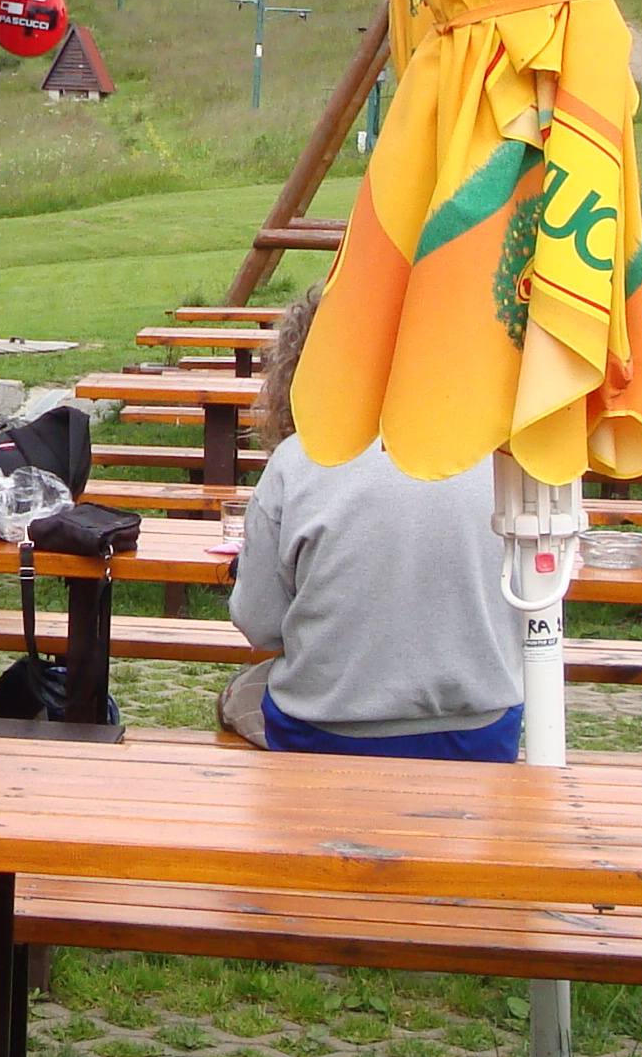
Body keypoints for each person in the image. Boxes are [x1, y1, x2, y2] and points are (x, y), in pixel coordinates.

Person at [219, 286, 525, 759]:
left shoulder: (296, 462)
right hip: (481, 731)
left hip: (325, 730)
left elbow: (259, 626)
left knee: (238, 696)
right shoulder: (502, 457)